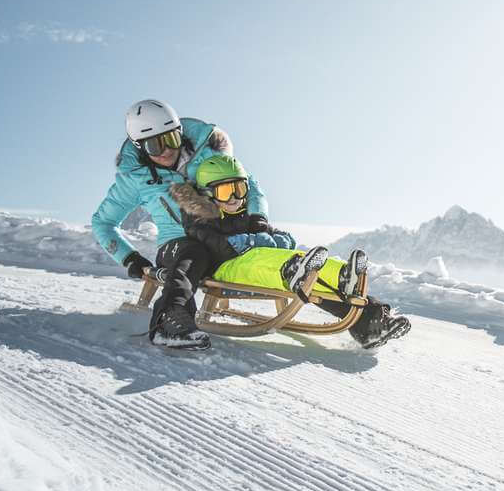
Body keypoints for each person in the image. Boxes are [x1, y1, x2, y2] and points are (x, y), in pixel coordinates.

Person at [89, 99, 408, 349]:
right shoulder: (135, 179)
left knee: (275, 262)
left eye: (171, 138)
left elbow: (248, 184)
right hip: (180, 241)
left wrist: (257, 219)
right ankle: (171, 321)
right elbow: (103, 222)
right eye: (155, 146)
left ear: (180, 131)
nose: (167, 150)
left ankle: (366, 320)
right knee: (192, 256)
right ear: (140, 148)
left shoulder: (206, 150)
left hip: (228, 231)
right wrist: (131, 260)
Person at [161, 154, 411, 351]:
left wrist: (272, 238)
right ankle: (294, 273)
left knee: (309, 264)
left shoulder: (246, 217)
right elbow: (223, 246)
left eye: (240, 189)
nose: (236, 198)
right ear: (207, 194)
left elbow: (283, 238)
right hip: (229, 268)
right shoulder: (201, 220)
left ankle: (366, 313)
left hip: (266, 261)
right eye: (227, 191)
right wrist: (256, 241)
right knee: (267, 261)